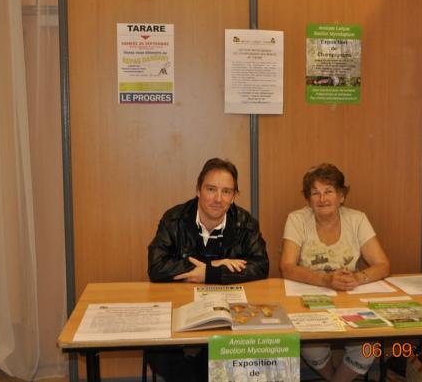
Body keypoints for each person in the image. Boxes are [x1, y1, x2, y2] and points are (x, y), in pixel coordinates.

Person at [146, 157, 269, 381]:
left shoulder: (245, 222)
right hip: (179, 306)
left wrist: (209, 273)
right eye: (211, 189)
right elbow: (156, 266)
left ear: (233, 197)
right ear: (198, 190)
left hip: (226, 309)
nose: (218, 199)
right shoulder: (174, 218)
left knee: (226, 348)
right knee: (159, 353)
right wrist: (215, 265)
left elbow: (260, 266)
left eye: (226, 192)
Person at [280, 163, 390, 382]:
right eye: (315, 193)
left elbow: (383, 264)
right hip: (311, 299)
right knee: (312, 345)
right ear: (308, 199)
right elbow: (287, 267)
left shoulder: (357, 219)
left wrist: (358, 277)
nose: (322, 199)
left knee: (367, 346)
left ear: (341, 196)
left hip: (351, 298)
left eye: (329, 191)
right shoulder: (297, 219)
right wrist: (325, 280)